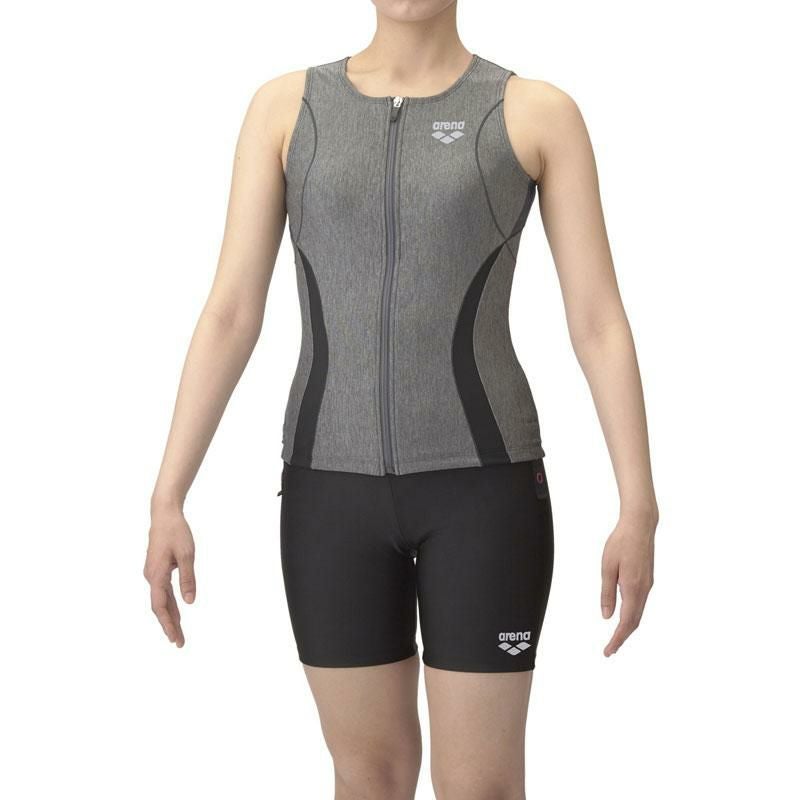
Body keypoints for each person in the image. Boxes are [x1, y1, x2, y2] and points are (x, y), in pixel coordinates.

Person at [144, 1, 658, 797]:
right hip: (329, 493)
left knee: (480, 787)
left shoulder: (532, 112)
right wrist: (168, 496)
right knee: (368, 778)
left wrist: (638, 506)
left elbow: (598, 322)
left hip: (484, 492)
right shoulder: (288, 108)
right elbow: (231, 313)